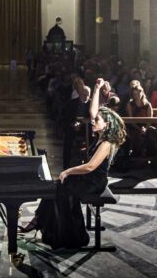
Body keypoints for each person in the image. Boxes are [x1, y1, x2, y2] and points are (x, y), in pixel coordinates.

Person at [19, 77, 126, 249]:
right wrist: (97, 88)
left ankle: (67, 234)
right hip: (87, 178)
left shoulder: (107, 143)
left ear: (106, 125)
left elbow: (91, 167)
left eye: (97, 120)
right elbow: (93, 111)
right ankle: (41, 222)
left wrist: (68, 171)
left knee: (61, 190)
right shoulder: (101, 134)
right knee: (56, 186)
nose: (92, 121)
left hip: (94, 182)